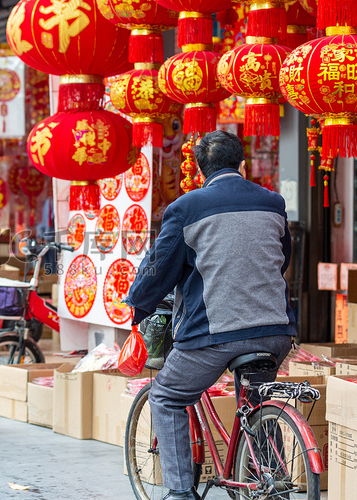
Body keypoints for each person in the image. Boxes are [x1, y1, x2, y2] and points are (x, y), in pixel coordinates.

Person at [125, 130, 296, 499]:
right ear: (242, 165)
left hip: (215, 333)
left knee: (167, 396)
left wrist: (139, 304)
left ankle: (180, 492)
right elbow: (283, 259)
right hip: (275, 330)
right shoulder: (273, 202)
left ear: (201, 171)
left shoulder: (187, 208)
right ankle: (270, 478)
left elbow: (158, 268)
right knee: (256, 397)